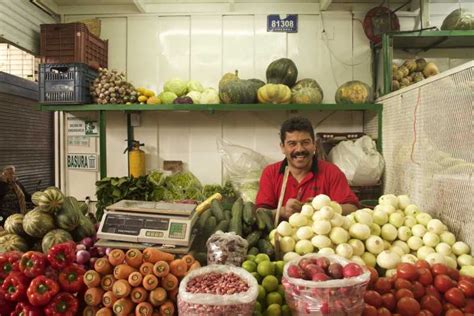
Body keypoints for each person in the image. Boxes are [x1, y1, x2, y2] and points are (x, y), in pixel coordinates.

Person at [255, 116, 359, 220]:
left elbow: (353, 208)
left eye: (305, 142)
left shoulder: (331, 172)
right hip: (280, 235)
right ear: (283, 147)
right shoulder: (270, 173)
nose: (299, 149)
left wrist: (325, 208)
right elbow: (259, 213)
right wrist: (282, 211)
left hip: (319, 235)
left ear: (314, 145)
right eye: (292, 144)